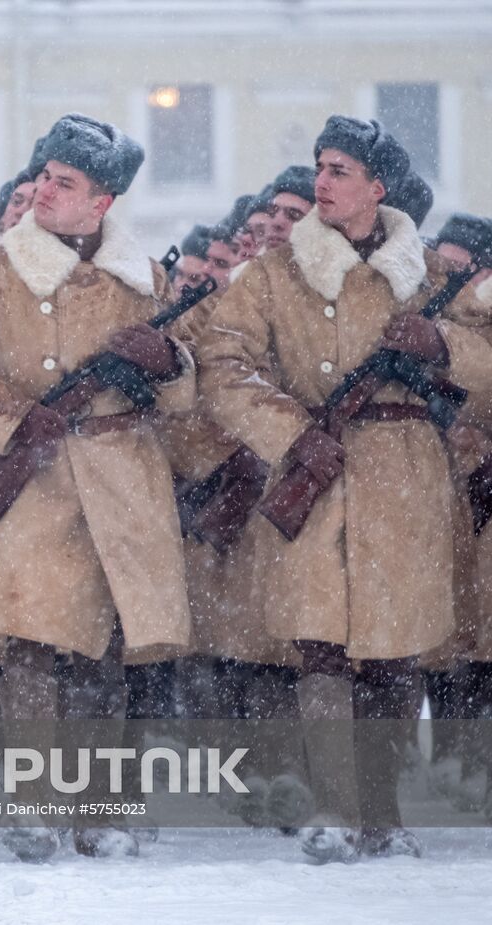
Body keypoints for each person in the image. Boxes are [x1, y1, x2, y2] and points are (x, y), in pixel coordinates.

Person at [198, 115, 492, 862]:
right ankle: (334, 807)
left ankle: (382, 813)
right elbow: (225, 365)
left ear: (377, 188)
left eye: (339, 170)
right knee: (321, 645)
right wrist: (292, 433)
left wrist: (444, 345)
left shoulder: (429, 276)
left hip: (405, 475)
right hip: (315, 468)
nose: (322, 182)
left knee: (394, 654)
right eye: (319, 167)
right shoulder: (273, 272)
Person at [0, 113, 196, 861]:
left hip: (119, 477)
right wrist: (16, 418)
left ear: (101, 202)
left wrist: (166, 362)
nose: (43, 190)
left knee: (102, 654)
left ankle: (97, 810)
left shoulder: (145, 280)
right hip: (31, 479)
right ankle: (35, 804)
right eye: (43, 176)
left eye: (64, 182)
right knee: (34, 647)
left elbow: (187, 389)